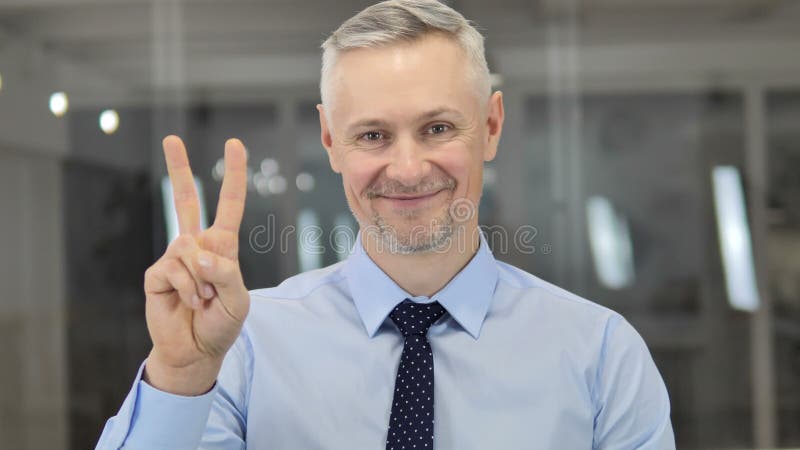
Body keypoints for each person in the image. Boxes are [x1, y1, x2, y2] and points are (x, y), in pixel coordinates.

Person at [96, 1, 675, 449]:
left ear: (492, 126)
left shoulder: (601, 355)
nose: (406, 168)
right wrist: (179, 372)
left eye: (439, 128)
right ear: (330, 141)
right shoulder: (243, 348)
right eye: (373, 135)